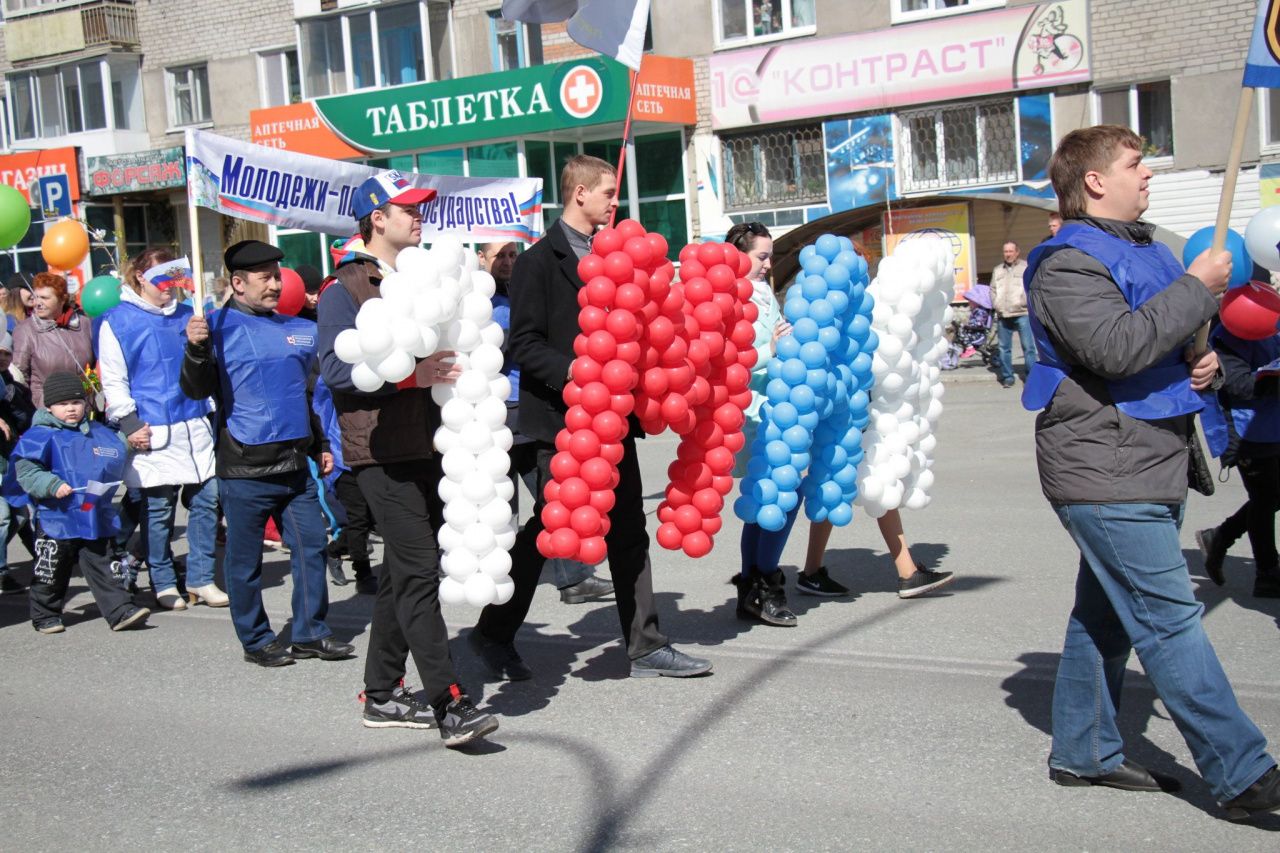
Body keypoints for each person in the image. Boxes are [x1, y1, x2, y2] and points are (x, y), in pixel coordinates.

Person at [1024, 125, 1279, 818]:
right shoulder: (1065, 262)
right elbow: (1114, 347)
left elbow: (1171, 344)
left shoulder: (1148, 249)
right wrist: (1197, 287)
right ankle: (1246, 771)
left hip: (1145, 457)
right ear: (1096, 181)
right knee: (1170, 621)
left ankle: (1083, 750)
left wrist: (1207, 365)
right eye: (1136, 164)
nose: (1150, 175)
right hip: (1103, 465)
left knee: (1104, 615)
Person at [474, 154, 712, 679]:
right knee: (549, 531)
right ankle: (492, 633)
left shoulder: (625, 255)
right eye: (607, 193)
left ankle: (646, 645)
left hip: (612, 420)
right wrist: (581, 373)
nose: (614, 203)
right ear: (579, 193)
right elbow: (525, 344)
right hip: (563, 422)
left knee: (628, 530)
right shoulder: (540, 261)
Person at [318, 170, 498, 747]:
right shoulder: (343, 287)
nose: (420, 217)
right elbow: (337, 371)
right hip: (379, 452)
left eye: (422, 207)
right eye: (408, 209)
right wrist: (409, 379)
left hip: (431, 443)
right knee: (420, 572)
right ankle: (450, 704)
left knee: (401, 574)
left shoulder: (425, 275)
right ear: (377, 218)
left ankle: (381, 693)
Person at [181, 239, 353, 668]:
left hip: (296, 464)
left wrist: (324, 445)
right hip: (244, 468)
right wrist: (196, 350)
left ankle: (311, 632)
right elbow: (195, 390)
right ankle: (256, 640)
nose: (276, 284)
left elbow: (308, 395)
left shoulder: (298, 328)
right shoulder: (213, 327)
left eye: (277, 275)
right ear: (238, 283)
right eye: (265, 278)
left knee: (312, 548)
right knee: (245, 564)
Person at [478, 240, 614, 606]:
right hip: (496, 416)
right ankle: (500, 586)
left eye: (512, 254)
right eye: (498, 256)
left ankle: (574, 578)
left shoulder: (519, 293)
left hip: (532, 412)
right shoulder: (478, 303)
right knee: (504, 510)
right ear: (481, 259)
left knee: (556, 499)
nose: (507, 262)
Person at [97, 248, 225, 611]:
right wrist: (129, 421)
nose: (170, 285)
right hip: (152, 427)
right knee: (157, 509)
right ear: (140, 276)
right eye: (161, 277)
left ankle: (201, 576)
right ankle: (164, 580)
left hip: (194, 422)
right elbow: (114, 377)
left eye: (174, 276)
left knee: (206, 499)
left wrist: (200, 341)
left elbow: (207, 369)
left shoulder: (189, 316)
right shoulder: (117, 320)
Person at [2, 371, 149, 633]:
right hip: (57, 517)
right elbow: (27, 471)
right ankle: (45, 613)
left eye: (76, 402)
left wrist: (130, 441)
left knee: (103, 562)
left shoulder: (97, 431)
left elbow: (114, 450)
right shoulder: (40, 435)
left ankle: (120, 610)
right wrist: (52, 484)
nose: (71, 408)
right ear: (49, 407)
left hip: (91, 511)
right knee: (52, 568)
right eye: (63, 404)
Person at [729, 221, 800, 625]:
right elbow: (729, 359)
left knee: (766, 502)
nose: (769, 264)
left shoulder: (760, 290)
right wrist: (772, 351)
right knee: (782, 496)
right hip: (754, 415)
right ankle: (764, 586)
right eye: (761, 256)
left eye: (769, 256)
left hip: (780, 408)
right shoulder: (731, 296)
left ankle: (754, 587)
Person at [1195, 321, 1280, 598]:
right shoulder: (1228, 336)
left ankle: (1220, 536)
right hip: (1246, 433)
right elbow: (1240, 386)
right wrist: (1272, 378)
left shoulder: (1271, 327)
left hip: (1272, 425)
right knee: (1265, 498)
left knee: (1271, 496)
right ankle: (1267, 572)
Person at [311, 375, 378, 595]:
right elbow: (320, 412)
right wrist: (324, 449)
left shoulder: (378, 371)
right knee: (358, 519)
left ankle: (334, 550)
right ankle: (363, 574)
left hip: (375, 453)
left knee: (371, 519)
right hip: (344, 457)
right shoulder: (332, 376)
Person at [12, 272, 94, 410]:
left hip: (85, 410)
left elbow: (91, 369)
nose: (38, 303)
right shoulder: (25, 330)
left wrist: (94, 398)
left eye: (44, 298)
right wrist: (37, 409)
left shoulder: (84, 324)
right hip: (48, 413)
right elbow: (19, 377)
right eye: (36, 297)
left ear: (62, 300)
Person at [990, 241, 1037, 388]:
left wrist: (1024, 302)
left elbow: (1032, 288)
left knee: (1028, 347)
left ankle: (1031, 377)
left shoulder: (1025, 268)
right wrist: (996, 304)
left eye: (1011, 251)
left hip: (1022, 313)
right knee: (1004, 348)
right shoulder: (997, 270)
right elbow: (992, 290)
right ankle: (1007, 377)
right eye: (1006, 251)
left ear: (1017, 252)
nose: (1008, 254)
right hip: (1004, 314)